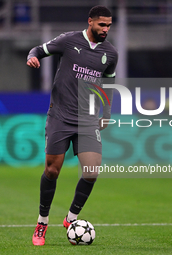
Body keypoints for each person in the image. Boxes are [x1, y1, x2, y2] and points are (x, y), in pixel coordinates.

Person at [26, 5, 118, 246]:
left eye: (109, 25)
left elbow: (108, 84)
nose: (106, 29)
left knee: (91, 172)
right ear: (90, 22)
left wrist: (106, 112)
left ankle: (71, 218)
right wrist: (31, 57)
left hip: (87, 119)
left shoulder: (110, 53)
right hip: (61, 115)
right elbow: (38, 49)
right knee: (52, 170)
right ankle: (42, 222)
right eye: (102, 25)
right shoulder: (68, 41)